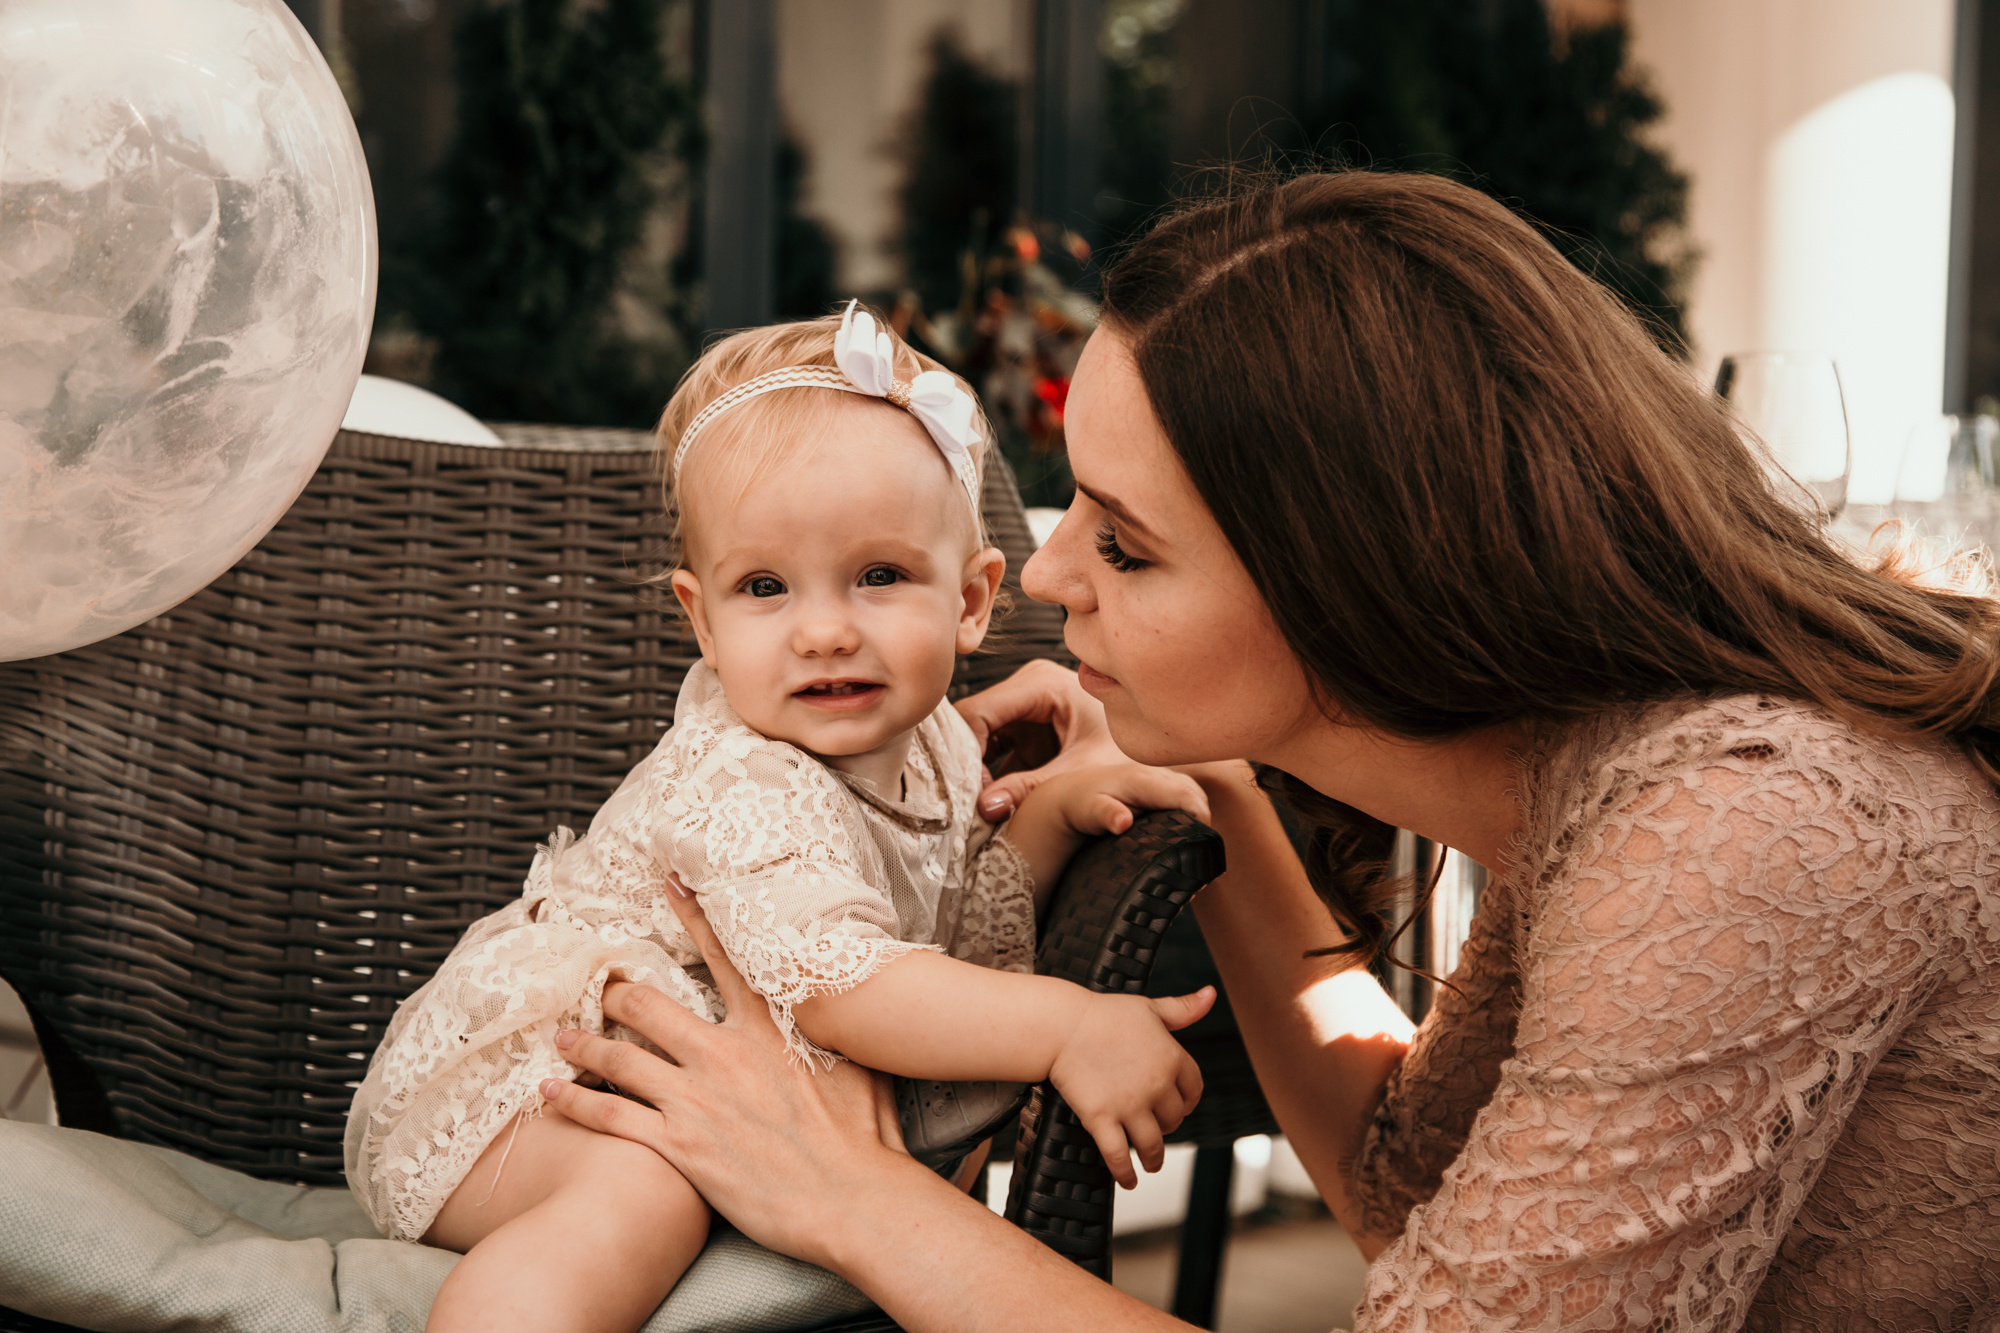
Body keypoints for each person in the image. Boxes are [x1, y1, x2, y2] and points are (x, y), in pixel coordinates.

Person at [537, 170, 2000, 1331]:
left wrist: (847, 1194)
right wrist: (1221, 798)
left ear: (1352, 583)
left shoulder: (1733, 839)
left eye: (1124, 541)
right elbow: (1403, 1189)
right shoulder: (1586, 784)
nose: (1045, 581)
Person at [343, 302, 1213, 1333]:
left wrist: (1053, 814)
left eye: (878, 575)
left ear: (972, 601)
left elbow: (949, 924)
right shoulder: (746, 776)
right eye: (764, 587)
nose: (824, 630)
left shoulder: (933, 738)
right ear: (700, 620)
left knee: (676, 1179)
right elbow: (850, 990)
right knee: (641, 1197)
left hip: (686, 1099)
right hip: (527, 1097)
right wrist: (1067, 1025)